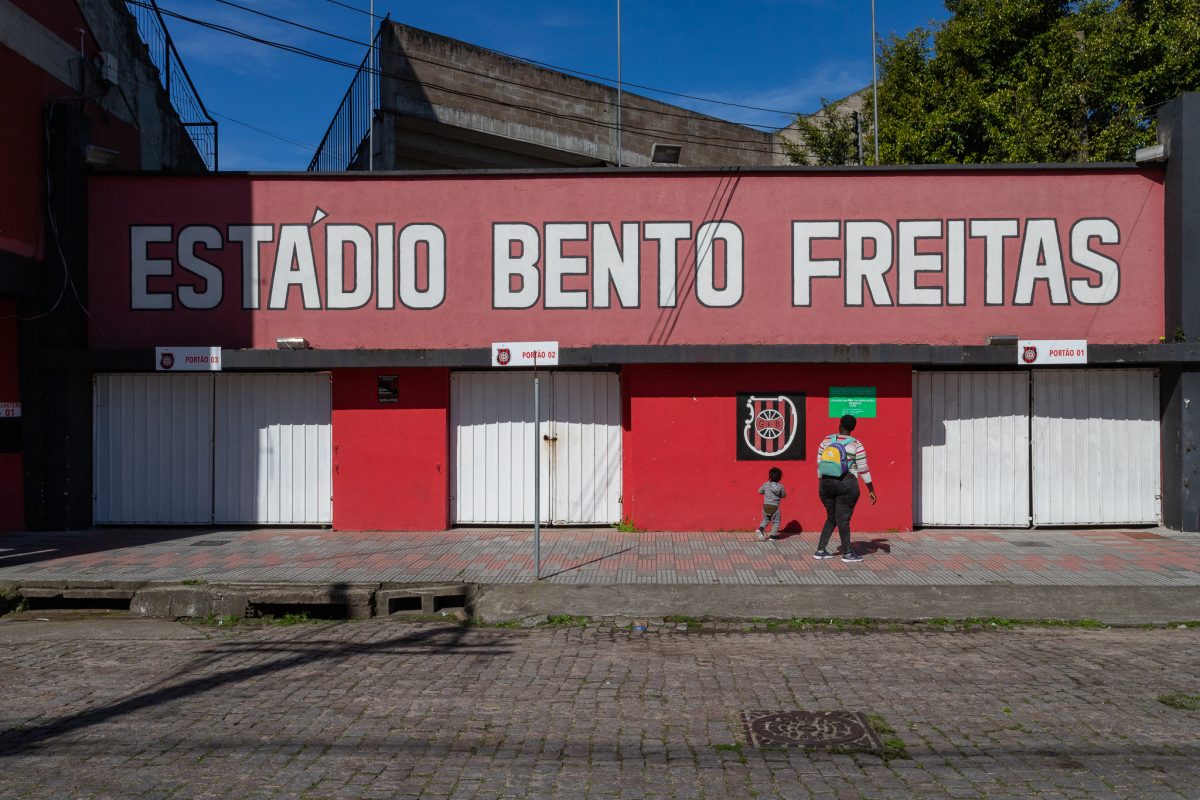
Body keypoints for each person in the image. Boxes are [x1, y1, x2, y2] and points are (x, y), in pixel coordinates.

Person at [814, 414, 877, 562]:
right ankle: (848, 553)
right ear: (853, 428)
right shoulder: (856, 444)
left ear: (840, 425)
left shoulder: (826, 440)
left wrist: (822, 484)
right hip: (847, 484)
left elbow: (819, 465)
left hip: (826, 484)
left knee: (831, 518)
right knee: (843, 519)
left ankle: (820, 550)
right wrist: (871, 489)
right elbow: (863, 469)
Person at [755, 467, 786, 541]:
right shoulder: (781, 486)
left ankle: (760, 529)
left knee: (766, 519)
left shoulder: (766, 484)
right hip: (775, 506)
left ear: (769, 476)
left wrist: (765, 492)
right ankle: (772, 537)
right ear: (779, 477)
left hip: (766, 505)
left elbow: (759, 491)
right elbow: (784, 495)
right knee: (776, 522)